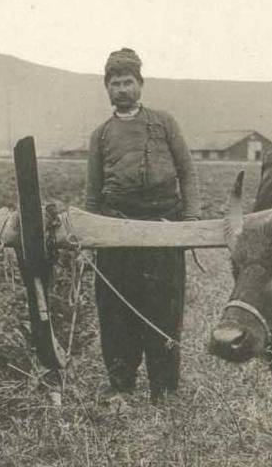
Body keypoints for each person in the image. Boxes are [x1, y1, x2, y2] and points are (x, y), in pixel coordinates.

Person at [85, 48, 201, 403]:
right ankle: (120, 385)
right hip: (117, 231)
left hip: (163, 227)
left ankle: (164, 389)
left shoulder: (164, 123)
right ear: (107, 89)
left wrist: (190, 222)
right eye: (115, 83)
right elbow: (92, 191)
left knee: (164, 308)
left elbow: (187, 172)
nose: (122, 89)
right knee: (116, 309)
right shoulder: (101, 135)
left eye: (128, 82)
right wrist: (92, 236)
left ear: (141, 84)